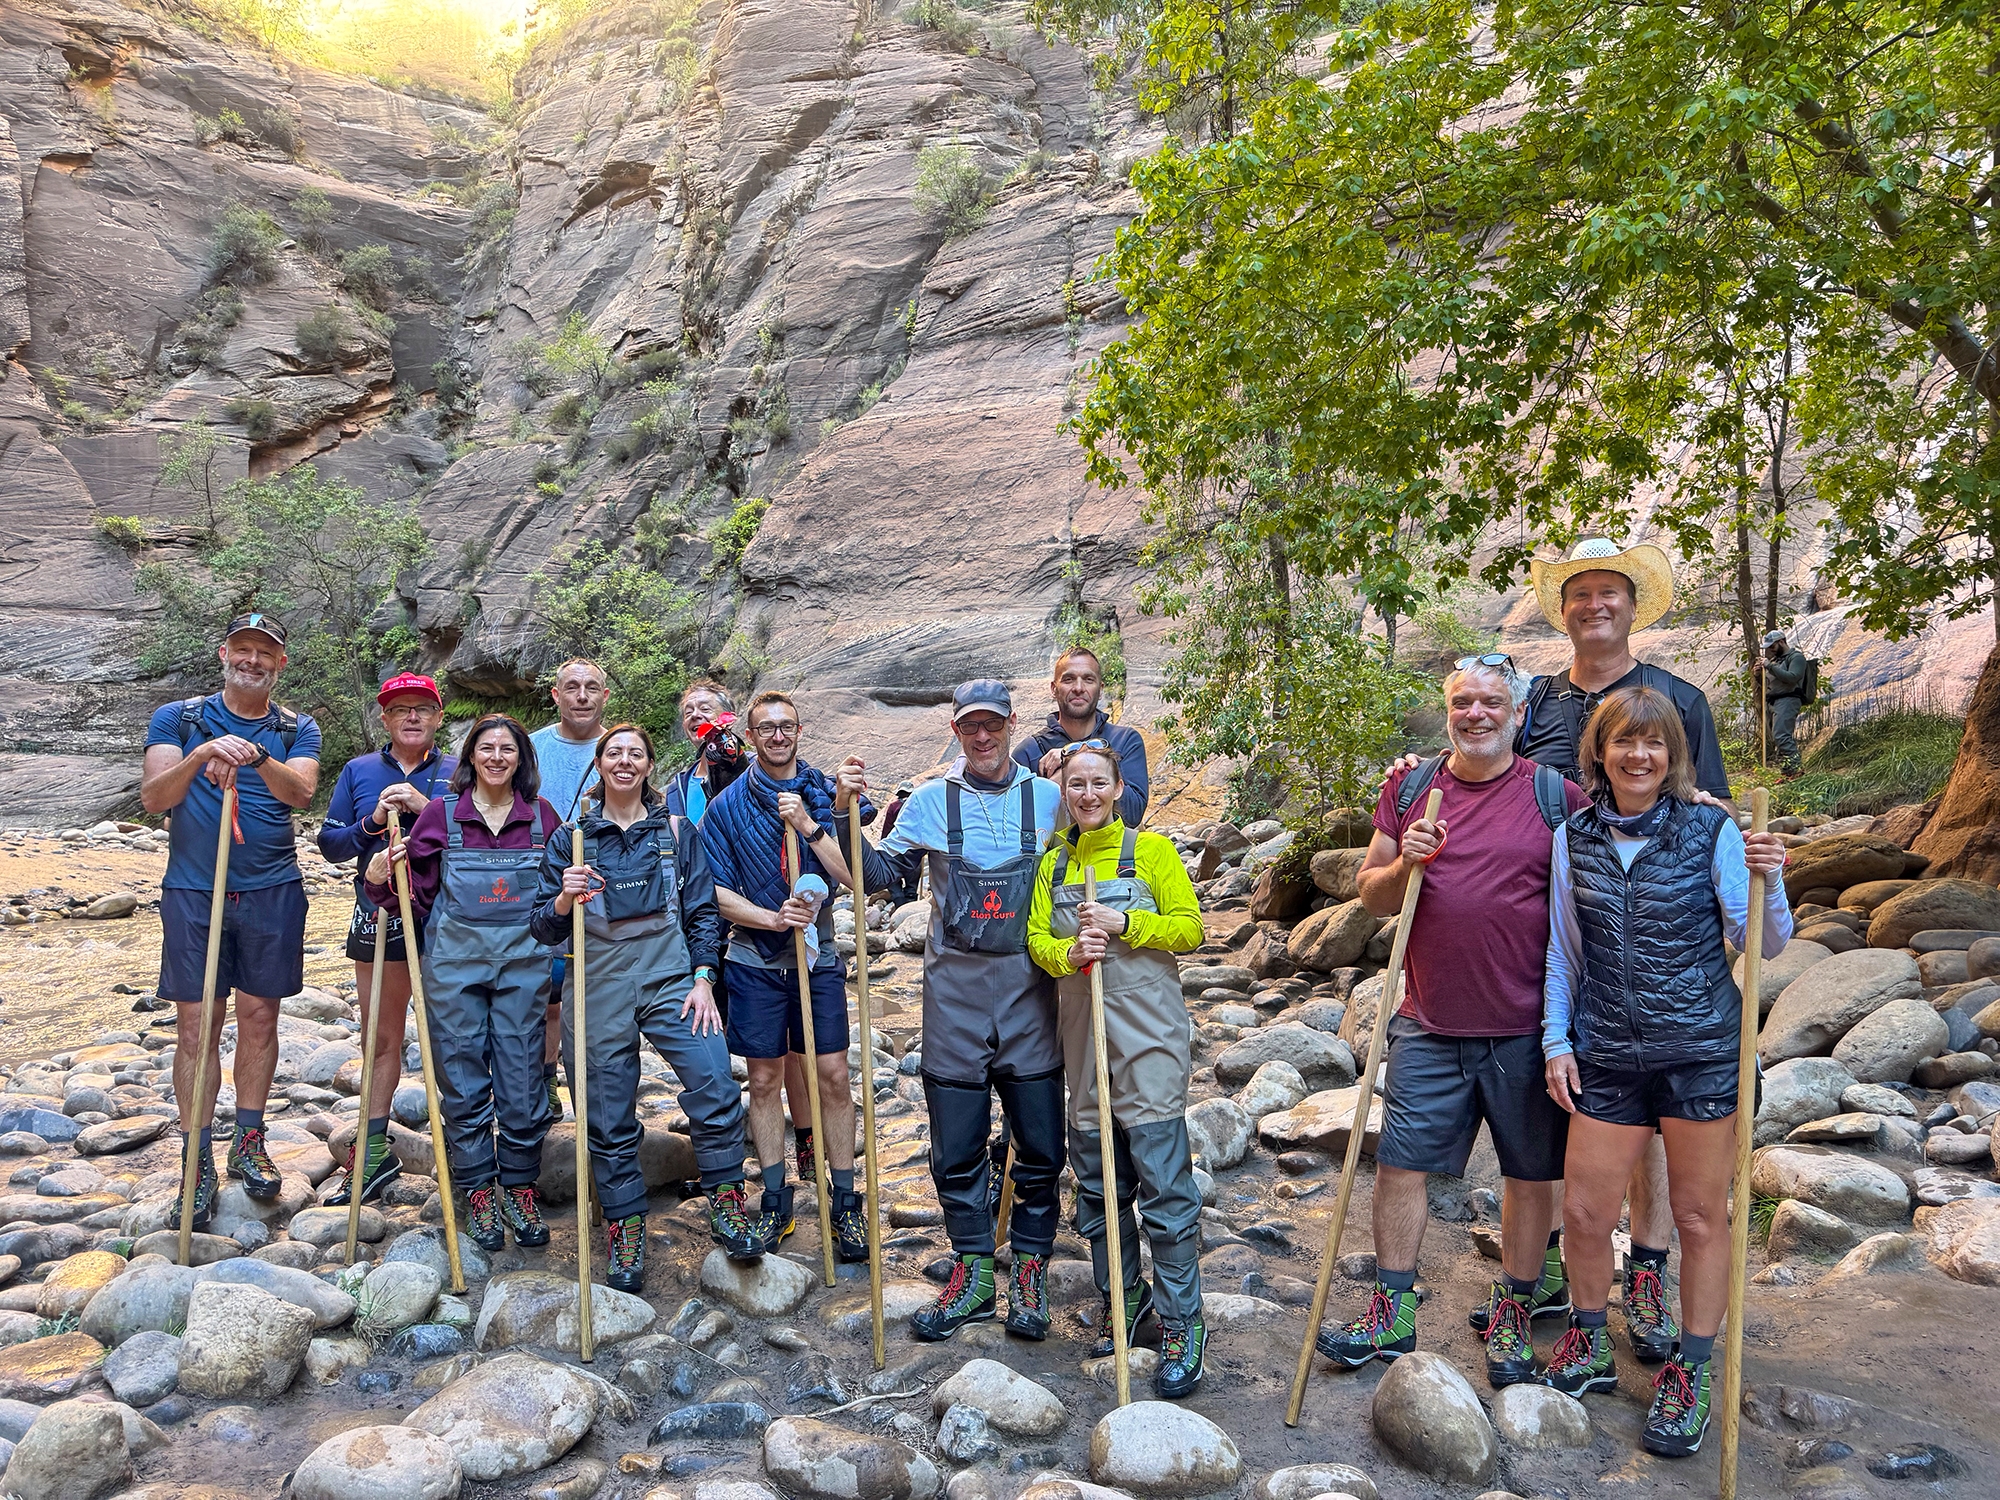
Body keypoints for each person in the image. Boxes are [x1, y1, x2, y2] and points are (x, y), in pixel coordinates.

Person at [1314, 659, 1588, 1387]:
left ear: (1518, 714)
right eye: (1462, 701)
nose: (1476, 714)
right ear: (1448, 711)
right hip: (1429, 1021)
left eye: (1491, 702)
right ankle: (1391, 1310)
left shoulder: (1554, 794)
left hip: (1529, 1030)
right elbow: (1372, 897)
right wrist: (1405, 865)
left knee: (1533, 1176)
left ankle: (1517, 1306)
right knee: (1400, 1166)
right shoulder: (1410, 788)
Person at [1537, 686, 1791, 1459]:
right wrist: (1557, 1040)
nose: (1638, 756)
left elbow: (1767, 943)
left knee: (1699, 1218)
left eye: (1653, 744)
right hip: (1609, 1051)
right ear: (1600, 754)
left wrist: (1770, 877)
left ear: (1672, 754)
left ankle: (1693, 1366)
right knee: (1583, 1215)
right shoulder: (1571, 837)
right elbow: (1563, 950)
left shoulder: (1711, 828)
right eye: (1623, 743)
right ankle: (1588, 1338)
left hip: (1699, 1052)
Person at [852, 680, 1066, 1342]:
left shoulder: (1049, 797)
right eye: (970, 726)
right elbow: (878, 876)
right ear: (954, 730)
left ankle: (1029, 1269)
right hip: (955, 996)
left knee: (1041, 1144)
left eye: (993, 725)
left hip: (1031, 990)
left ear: (1010, 725)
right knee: (956, 1145)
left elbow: (1096, 857)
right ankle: (973, 1271)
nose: (982, 736)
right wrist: (837, 818)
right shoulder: (928, 801)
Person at [527, 724, 762, 1291]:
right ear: (600, 766)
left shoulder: (678, 833)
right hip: (597, 985)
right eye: (614, 754)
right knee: (605, 1115)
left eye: (636, 753)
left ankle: (727, 1205)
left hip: (672, 981)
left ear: (649, 765)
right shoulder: (572, 837)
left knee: (716, 1085)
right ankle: (625, 1224)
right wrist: (564, 894)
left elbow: (704, 911)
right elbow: (542, 926)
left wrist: (704, 978)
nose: (625, 762)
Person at [1026, 743, 1207, 1397]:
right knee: (1101, 1190)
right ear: (1065, 794)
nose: (1088, 794)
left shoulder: (1151, 853)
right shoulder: (1054, 863)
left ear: (1119, 787)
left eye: (1099, 783)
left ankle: (1186, 1323)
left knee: (1164, 1189)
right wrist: (1071, 948)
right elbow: (1037, 946)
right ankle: (1127, 1309)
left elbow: (1191, 930)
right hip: (1085, 1048)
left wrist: (1127, 921)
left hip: (1149, 1043)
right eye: (1076, 785)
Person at [140, 612, 322, 1225]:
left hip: (271, 889)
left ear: (281, 665)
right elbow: (155, 798)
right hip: (195, 890)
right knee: (195, 1027)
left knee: (259, 1016)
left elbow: (300, 793)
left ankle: (249, 1138)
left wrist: (253, 756)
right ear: (224, 654)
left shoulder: (296, 727)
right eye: (242, 650)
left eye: (265, 653)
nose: (252, 660)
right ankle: (195, 1160)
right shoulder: (180, 718)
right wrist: (205, 755)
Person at [364, 715, 560, 1250]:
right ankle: (477, 1189)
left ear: (522, 759)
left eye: (508, 749)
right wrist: (381, 873)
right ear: (471, 757)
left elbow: (559, 899)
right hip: (453, 970)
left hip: (524, 970)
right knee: (462, 1081)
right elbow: (413, 895)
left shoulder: (543, 817)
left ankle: (519, 1188)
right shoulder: (439, 814)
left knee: (523, 1085)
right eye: (486, 748)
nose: (497, 757)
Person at [700, 691, 868, 1262]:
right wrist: (771, 917)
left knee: (834, 1077)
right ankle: (775, 1200)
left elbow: (856, 878)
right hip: (754, 960)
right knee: (766, 1081)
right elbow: (713, 893)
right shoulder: (724, 807)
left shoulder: (825, 792)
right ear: (750, 736)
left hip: (816, 960)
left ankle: (844, 1203)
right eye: (765, 728)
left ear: (800, 730)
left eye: (786, 726)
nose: (777, 736)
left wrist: (813, 824)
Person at [318, 672, 455, 1205]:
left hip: (448, 919)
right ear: (385, 718)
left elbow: (480, 835)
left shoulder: (457, 772)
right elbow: (331, 845)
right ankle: (372, 1151)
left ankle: (465, 1151)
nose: (412, 717)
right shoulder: (358, 771)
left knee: (453, 1039)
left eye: (423, 708)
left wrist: (430, 812)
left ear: (439, 716)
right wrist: (374, 821)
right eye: (401, 709)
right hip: (380, 916)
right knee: (381, 1036)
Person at [530, 660, 612, 1117]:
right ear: (556, 694)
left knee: (593, 987)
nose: (582, 696)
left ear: (604, 696)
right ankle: (544, 1083)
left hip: (602, 881)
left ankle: (594, 1084)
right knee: (546, 988)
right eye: (572, 688)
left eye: (591, 688)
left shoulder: (618, 747)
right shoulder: (533, 747)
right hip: (544, 878)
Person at [1011, 647, 1149, 825]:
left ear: (1100, 689)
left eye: (1088, 679)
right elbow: (1016, 820)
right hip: (1053, 852)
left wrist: (1074, 756)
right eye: (1068, 679)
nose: (1078, 688)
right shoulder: (1029, 752)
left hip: (1114, 851)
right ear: (1054, 688)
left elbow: (1133, 813)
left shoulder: (1126, 740)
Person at [1753, 629, 1808, 773]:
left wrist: (1769, 667)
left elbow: (1792, 677)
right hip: (1773, 701)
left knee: (1782, 735)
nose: (1770, 650)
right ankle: (1787, 772)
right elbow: (1769, 683)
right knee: (1777, 738)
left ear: (1781, 642)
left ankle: (1796, 769)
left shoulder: (1796, 657)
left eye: (1772, 646)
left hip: (1788, 700)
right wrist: (1758, 675)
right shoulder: (1774, 661)